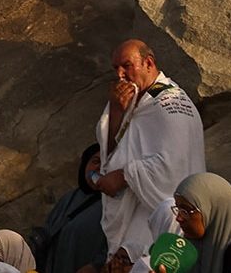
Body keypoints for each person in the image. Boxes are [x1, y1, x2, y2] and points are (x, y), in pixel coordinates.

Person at [95, 40, 206, 264]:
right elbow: (111, 150)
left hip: (161, 212)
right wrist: (117, 110)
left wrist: (124, 175)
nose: (120, 75)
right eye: (115, 68)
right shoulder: (138, 98)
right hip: (136, 204)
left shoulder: (170, 103)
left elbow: (174, 166)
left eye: (127, 66)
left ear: (148, 63)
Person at [31, 145, 109, 273]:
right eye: (95, 162)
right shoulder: (70, 198)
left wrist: (96, 265)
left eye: (107, 163)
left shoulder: (114, 205)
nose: (100, 168)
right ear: (84, 165)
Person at [169, 174, 231, 273]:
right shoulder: (187, 249)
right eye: (178, 209)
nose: (178, 218)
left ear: (213, 210)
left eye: (186, 210)